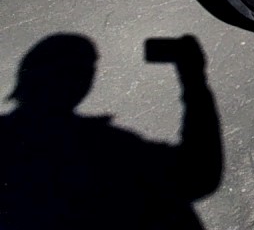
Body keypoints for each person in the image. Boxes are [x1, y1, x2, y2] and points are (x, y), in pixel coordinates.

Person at [0, 34, 223, 229]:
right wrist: (194, 80)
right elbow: (197, 174)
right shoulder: (100, 148)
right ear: (79, 82)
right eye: (86, 67)